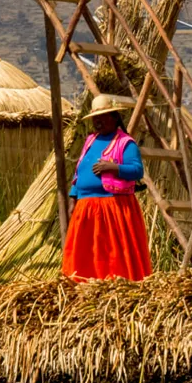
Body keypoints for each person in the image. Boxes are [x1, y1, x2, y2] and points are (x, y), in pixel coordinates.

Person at [63, 94, 152, 281]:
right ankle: (85, 284)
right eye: (95, 118)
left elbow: (137, 170)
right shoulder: (90, 141)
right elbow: (79, 170)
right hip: (86, 208)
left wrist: (112, 167)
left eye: (102, 118)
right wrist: (73, 197)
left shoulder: (125, 143)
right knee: (87, 252)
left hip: (113, 208)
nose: (98, 122)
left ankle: (115, 285)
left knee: (112, 254)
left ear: (114, 117)